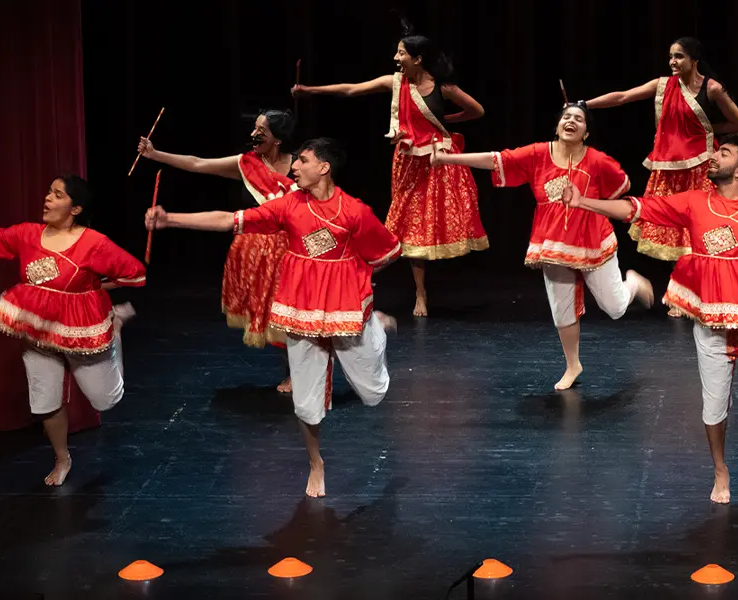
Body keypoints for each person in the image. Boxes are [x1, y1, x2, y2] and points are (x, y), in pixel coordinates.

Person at [564, 134, 738, 504]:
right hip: (709, 313)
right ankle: (719, 470)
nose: (714, 156)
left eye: (724, 153)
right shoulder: (694, 202)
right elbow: (637, 208)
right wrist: (584, 201)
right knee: (713, 400)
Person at [146, 138, 401, 498]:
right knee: (305, 400)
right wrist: (171, 219)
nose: (293, 167)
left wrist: (350, 279)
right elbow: (228, 219)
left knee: (373, 391)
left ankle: (373, 325)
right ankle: (316, 463)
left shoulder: (355, 212)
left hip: (345, 306)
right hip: (299, 306)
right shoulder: (288, 206)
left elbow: (386, 252)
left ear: (324, 168)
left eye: (303, 161)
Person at [0, 175, 145, 486]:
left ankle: (116, 326)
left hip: (83, 329)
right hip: (38, 328)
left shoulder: (94, 243)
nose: (47, 199)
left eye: (57, 195)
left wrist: (93, 289)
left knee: (105, 399)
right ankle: (62, 458)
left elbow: (135, 274)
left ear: (75, 208)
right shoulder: (27, 234)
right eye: (49, 192)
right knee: (45, 401)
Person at [435, 102, 656, 390]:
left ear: (586, 132)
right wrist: (450, 159)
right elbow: (496, 160)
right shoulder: (539, 154)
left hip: (593, 240)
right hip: (552, 241)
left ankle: (633, 285)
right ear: (557, 125)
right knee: (561, 308)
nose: (571, 122)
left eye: (579, 119)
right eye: (566, 117)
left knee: (614, 308)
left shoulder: (599, 161)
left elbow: (620, 187)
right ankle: (573, 364)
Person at [293, 31, 485, 317]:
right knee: (409, 226)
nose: (396, 58)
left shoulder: (442, 87)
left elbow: (476, 111)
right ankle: (420, 292)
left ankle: (430, 289)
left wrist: (445, 121)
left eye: (401, 53)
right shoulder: (396, 83)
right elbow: (352, 89)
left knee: (432, 225)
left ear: (418, 59)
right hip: (408, 164)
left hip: (437, 162)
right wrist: (311, 91)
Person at [137, 110, 297, 392]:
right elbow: (198, 164)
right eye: (254, 128)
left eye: (262, 130)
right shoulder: (246, 164)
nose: (253, 135)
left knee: (296, 314)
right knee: (271, 316)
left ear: (278, 140)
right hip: (256, 252)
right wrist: (155, 154)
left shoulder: (300, 167)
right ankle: (293, 372)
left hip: (294, 251)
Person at [586, 37, 738, 319]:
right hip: (668, 171)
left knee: (700, 232)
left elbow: (737, 124)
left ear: (694, 61)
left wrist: (702, 129)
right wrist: (585, 104)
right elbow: (624, 96)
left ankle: (697, 295)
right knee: (678, 235)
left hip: (700, 168)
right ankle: (682, 295)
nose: (673, 62)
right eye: (671, 56)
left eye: (680, 57)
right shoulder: (662, 85)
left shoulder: (712, 89)